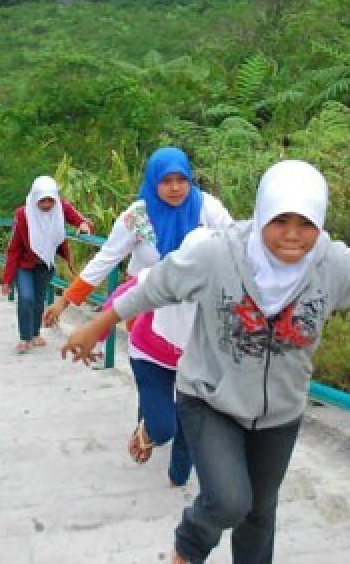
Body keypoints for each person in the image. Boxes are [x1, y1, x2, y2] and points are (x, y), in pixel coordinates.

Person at [61, 160, 350, 564]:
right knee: (229, 501)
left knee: (259, 514)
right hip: (209, 400)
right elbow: (157, 285)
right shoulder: (218, 254)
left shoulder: (332, 263)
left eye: (304, 223)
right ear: (262, 213)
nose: (291, 235)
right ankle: (188, 548)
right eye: (279, 220)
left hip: (279, 413)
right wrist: (99, 324)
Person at [43, 146, 231, 487]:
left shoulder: (207, 208)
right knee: (162, 406)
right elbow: (105, 259)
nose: (175, 188)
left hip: (198, 318)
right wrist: (65, 301)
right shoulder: (136, 217)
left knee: (192, 406)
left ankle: (175, 465)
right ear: (153, 182)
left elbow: (239, 247)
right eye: (166, 181)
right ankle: (152, 426)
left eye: (181, 180)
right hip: (148, 311)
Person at [1, 176, 92, 354]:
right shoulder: (22, 214)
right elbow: (13, 249)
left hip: (45, 264)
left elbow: (79, 219)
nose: (47, 205)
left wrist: (82, 225)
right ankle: (25, 338)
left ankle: (35, 334)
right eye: (42, 201)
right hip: (24, 265)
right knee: (26, 298)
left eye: (50, 200)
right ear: (35, 198)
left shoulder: (61, 207)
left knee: (38, 300)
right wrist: (7, 279)